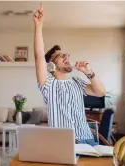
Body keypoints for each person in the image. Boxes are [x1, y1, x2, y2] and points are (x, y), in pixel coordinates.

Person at [33, 3, 106, 146]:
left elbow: (101, 92)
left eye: (66, 54)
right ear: (51, 66)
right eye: (61, 56)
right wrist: (39, 25)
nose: (66, 57)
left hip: (88, 140)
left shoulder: (77, 82)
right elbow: (39, 57)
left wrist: (88, 72)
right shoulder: (48, 85)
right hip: (64, 143)